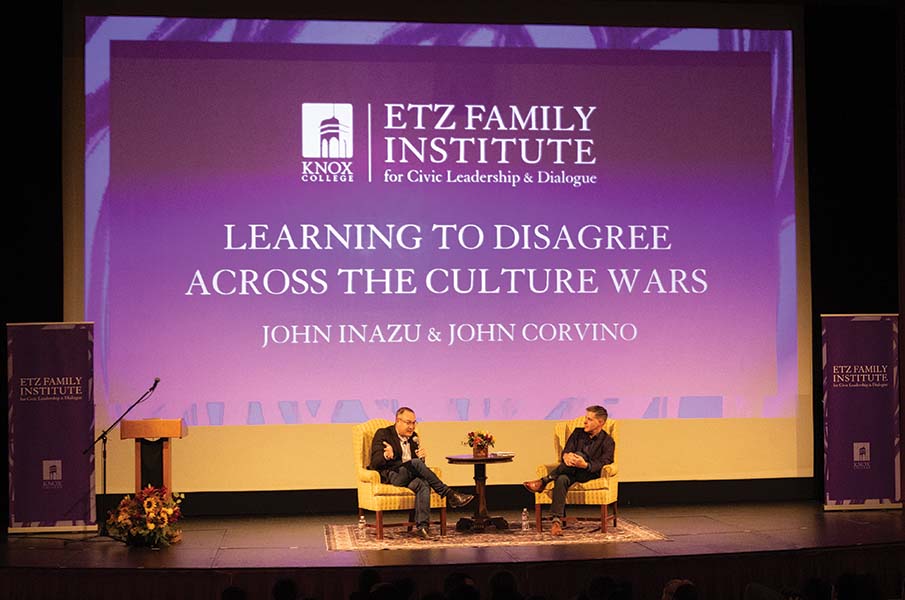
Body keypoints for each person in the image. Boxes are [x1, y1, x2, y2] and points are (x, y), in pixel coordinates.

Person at [369, 407, 474, 538]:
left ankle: (422, 527)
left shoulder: (414, 438)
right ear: (397, 421)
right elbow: (375, 463)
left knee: (423, 483)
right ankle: (449, 494)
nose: (412, 427)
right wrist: (386, 455)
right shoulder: (384, 434)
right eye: (408, 423)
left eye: (414, 423)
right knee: (416, 463)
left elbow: (419, 469)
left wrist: (422, 459)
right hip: (393, 475)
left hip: (409, 475)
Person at [523, 405, 615, 536]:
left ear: (600, 422)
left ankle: (545, 481)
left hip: (588, 473)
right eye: (585, 418)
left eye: (589, 419)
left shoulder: (607, 441)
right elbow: (566, 451)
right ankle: (556, 522)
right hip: (570, 471)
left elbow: (605, 461)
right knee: (561, 479)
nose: (585, 422)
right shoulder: (578, 433)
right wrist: (566, 456)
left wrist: (585, 465)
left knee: (580, 455)